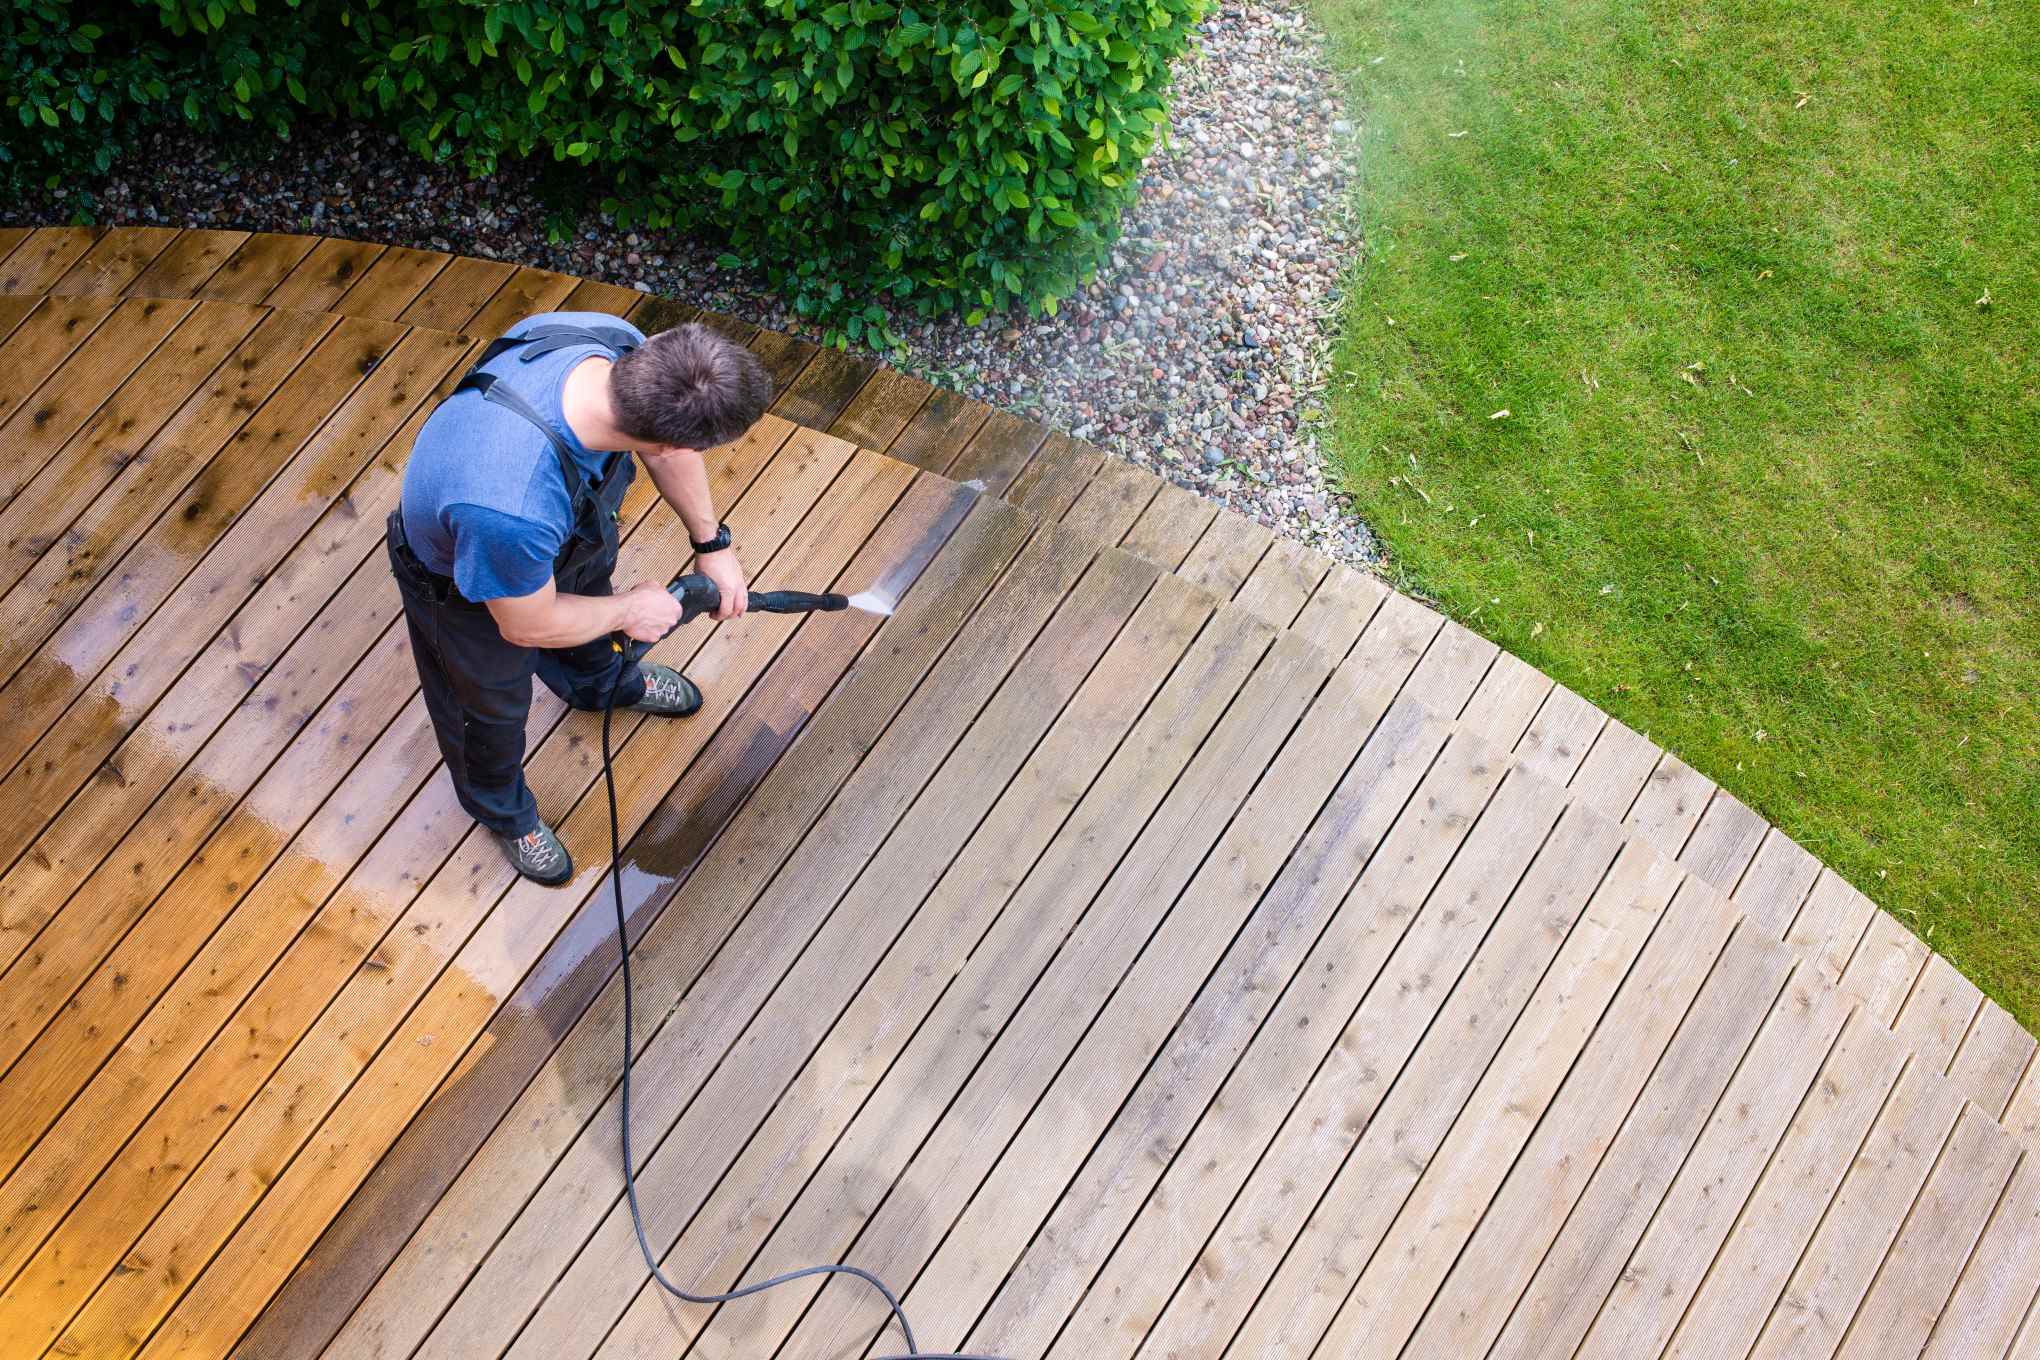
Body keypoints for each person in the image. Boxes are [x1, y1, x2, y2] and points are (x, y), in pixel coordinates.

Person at [387, 311, 771, 885]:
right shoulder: (510, 505)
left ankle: (602, 687)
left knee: (593, 626)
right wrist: (630, 611)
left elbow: (667, 452)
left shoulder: (617, 345)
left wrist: (711, 544)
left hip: (565, 539)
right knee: (487, 712)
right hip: (468, 589)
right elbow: (527, 623)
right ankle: (504, 811)